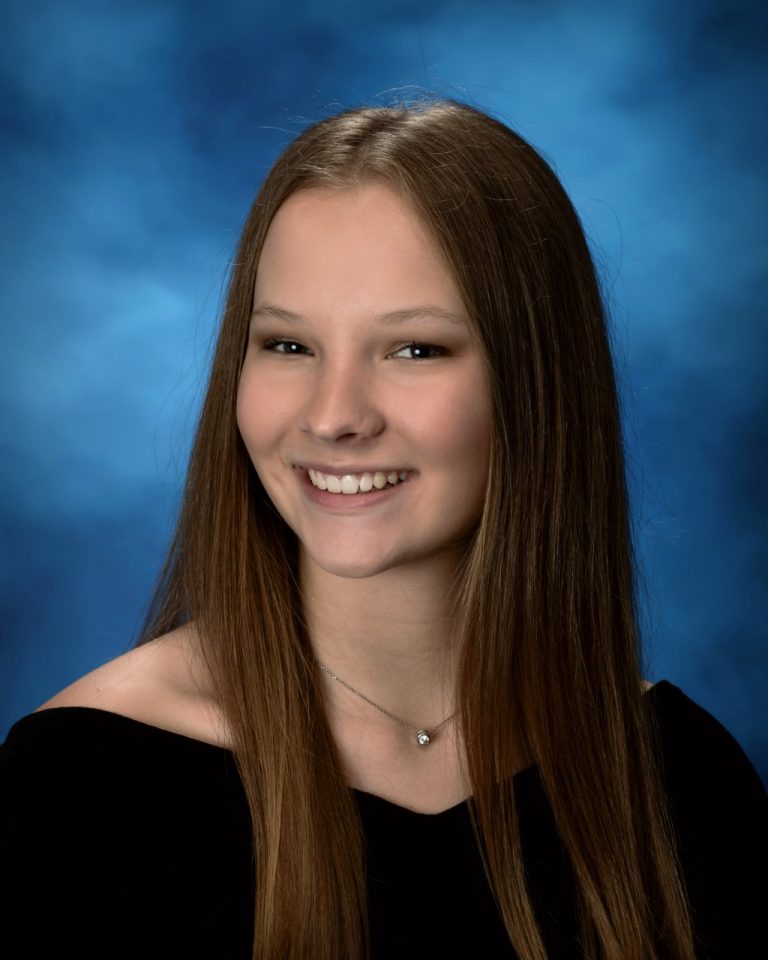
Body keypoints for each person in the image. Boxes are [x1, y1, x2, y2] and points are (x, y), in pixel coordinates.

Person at [0, 97, 765, 960]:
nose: (333, 417)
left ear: (536, 381)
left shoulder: (682, 780)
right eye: (288, 346)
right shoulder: (78, 786)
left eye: (413, 350)